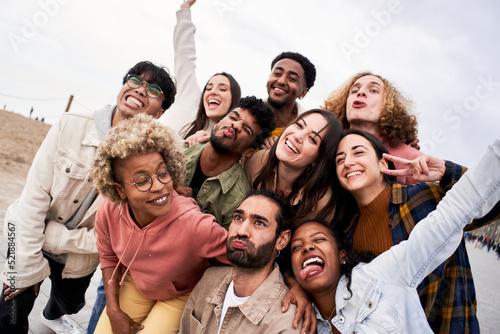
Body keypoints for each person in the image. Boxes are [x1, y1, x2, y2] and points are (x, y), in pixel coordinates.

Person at [0, 61, 176, 334]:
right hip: (23, 231)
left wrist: (58, 238)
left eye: (153, 90)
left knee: (69, 304)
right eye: (134, 80)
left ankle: (53, 313)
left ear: (160, 112)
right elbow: (32, 199)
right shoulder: (70, 124)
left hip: (77, 255)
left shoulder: (149, 165)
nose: (141, 89)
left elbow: (120, 237)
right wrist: (26, 270)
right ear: (122, 86)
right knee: (10, 311)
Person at [290, 138, 500, 333]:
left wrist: (447, 172)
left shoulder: (421, 196)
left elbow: (473, 202)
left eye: (358, 152)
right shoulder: (349, 233)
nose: (348, 162)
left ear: (383, 164)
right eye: (340, 159)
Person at [91, 114, 229, 334]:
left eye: (163, 173)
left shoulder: (194, 224)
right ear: (120, 190)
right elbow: (108, 257)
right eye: (142, 180)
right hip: (138, 282)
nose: (158, 186)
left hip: (179, 294)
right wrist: (113, 310)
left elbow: (241, 256)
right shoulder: (108, 212)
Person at [179, 190, 300, 333]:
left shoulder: (284, 322)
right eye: (238, 218)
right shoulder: (209, 280)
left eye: (259, 223)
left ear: (282, 240)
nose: (242, 231)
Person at [178, 96, 275, 229]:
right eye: (233, 118)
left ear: (248, 152)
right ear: (217, 124)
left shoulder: (239, 200)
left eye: (246, 129)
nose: (235, 125)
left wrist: (190, 211)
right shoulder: (175, 152)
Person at [185, 50, 316, 148]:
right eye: (277, 74)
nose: (281, 81)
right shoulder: (243, 111)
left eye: (292, 79)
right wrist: (202, 138)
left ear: (303, 92)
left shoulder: (304, 134)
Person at [245, 109, 344, 225]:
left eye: (312, 139)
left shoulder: (322, 205)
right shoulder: (257, 161)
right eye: (299, 125)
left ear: (318, 160)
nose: (297, 136)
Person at [160, 0, 241, 138]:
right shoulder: (190, 98)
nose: (213, 92)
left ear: (234, 100)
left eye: (222, 89)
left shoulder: (230, 138)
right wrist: (185, 9)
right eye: (208, 88)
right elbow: (184, 55)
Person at [324, 72, 422, 183]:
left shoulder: (409, 158)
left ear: (389, 105)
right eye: (354, 91)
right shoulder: (324, 141)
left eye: (374, 90)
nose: (361, 92)